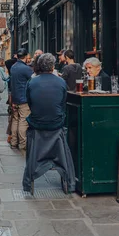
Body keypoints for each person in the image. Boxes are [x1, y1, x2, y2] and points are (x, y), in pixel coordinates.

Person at [23, 53, 75, 194]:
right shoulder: (60, 82)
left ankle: (30, 180)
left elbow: (30, 103)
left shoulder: (32, 82)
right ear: (52, 66)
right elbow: (62, 102)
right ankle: (67, 179)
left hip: (37, 124)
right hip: (56, 125)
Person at [9, 48, 33, 151]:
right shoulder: (26, 69)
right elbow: (33, 80)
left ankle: (14, 142)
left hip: (15, 98)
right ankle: (23, 144)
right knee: (23, 121)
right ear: (26, 56)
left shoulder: (13, 67)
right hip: (24, 98)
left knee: (15, 120)